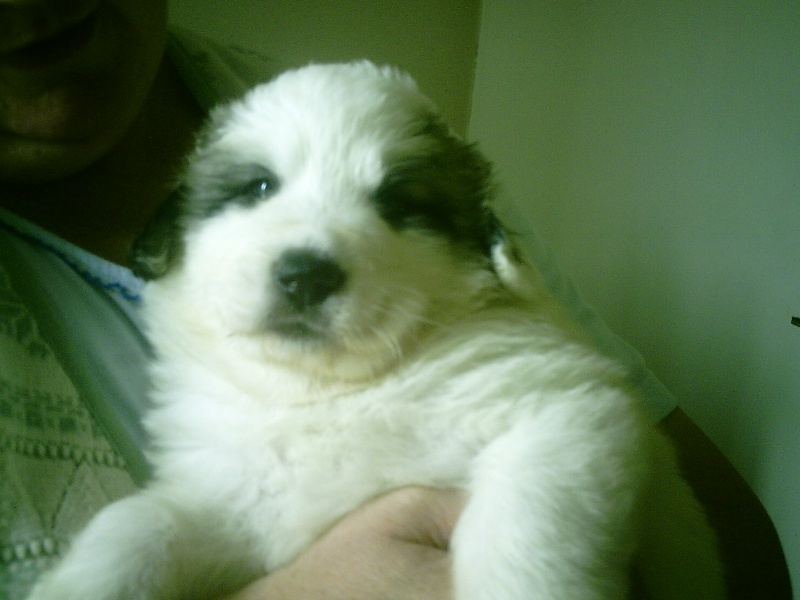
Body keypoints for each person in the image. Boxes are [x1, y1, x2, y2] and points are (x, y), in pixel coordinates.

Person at [0, 1, 791, 599]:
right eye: (258, 187)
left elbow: (576, 425)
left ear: (482, 253)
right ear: (174, 237)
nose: (310, 255)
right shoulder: (213, 403)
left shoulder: (480, 349)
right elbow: (225, 523)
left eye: (396, 203)